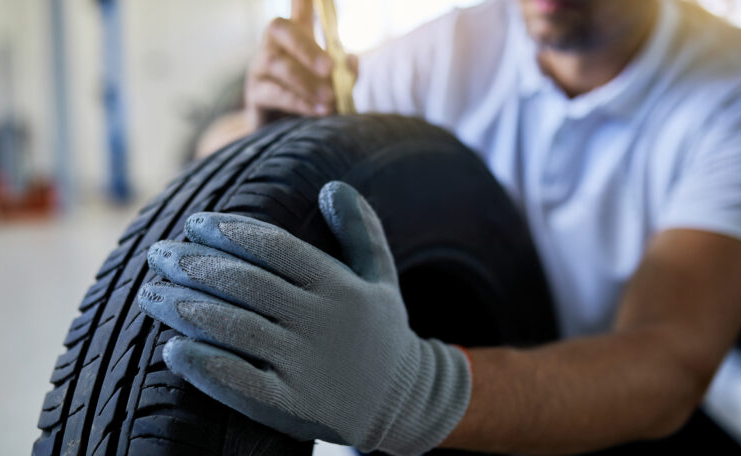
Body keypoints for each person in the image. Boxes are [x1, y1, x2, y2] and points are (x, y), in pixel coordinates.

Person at [137, 0, 741, 454]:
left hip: (622, 421)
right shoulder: (452, 51)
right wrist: (268, 137)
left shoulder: (725, 93)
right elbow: (214, 151)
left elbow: (667, 359)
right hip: (460, 399)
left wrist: (417, 391)